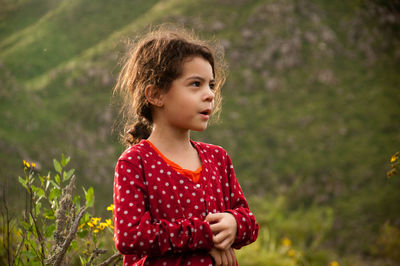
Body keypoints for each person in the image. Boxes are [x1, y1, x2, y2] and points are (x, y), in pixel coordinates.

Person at [112, 25, 259, 266]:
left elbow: (249, 223)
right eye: (195, 84)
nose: (209, 94)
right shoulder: (135, 162)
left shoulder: (218, 158)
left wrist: (233, 224)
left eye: (211, 85)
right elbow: (130, 236)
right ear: (156, 95)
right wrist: (206, 235)